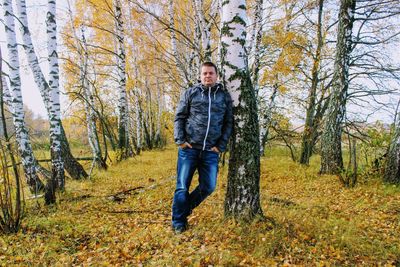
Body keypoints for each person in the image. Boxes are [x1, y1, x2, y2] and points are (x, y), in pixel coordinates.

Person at [172, 61, 233, 233]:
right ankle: (178, 222)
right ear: (200, 76)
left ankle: (183, 209)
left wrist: (220, 145)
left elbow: (229, 122)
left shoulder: (223, 96)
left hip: (210, 151)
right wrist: (181, 140)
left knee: (209, 186)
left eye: (211, 73)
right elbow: (180, 117)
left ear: (216, 75)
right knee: (182, 186)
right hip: (189, 149)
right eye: (204, 73)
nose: (207, 76)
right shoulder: (191, 93)